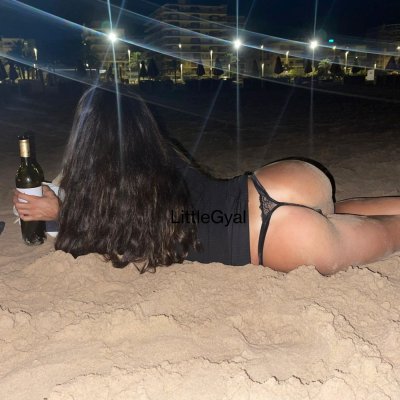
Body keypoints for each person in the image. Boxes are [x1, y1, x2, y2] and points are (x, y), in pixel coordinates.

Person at [13, 86, 400, 274]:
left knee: (384, 234)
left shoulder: (98, 205)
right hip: (279, 181)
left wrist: (61, 213)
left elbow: (97, 236)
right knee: (332, 212)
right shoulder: (158, 151)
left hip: (271, 240)